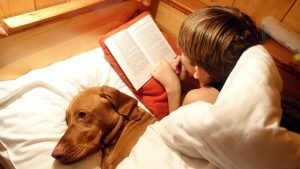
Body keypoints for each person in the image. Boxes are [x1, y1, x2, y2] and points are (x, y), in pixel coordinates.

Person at [151, 6, 262, 112]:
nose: (180, 55)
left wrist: (173, 88)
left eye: (184, 52)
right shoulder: (237, 75)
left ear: (198, 70)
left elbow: (173, 128)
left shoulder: (197, 98)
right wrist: (185, 78)